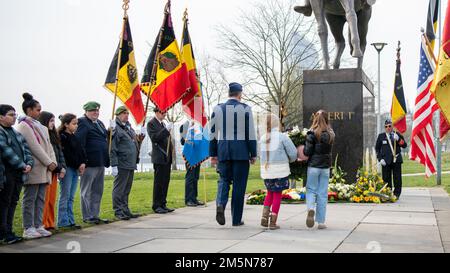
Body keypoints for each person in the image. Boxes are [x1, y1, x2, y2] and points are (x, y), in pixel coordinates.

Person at [209, 82, 257, 226]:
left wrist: (213, 153)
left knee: (224, 179)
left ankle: (221, 204)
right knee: (239, 186)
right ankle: (236, 220)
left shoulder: (218, 109)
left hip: (223, 151)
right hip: (241, 152)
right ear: (240, 94)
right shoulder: (245, 109)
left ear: (229, 93)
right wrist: (253, 153)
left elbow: (212, 134)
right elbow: (251, 133)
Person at [17, 93, 57, 239]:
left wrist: (54, 163)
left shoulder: (40, 126)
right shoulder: (24, 125)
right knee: (30, 198)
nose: (40, 112)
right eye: (37, 110)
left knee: (40, 198)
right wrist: (49, 163)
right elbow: (34, 147)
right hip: (35, 167)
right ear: (29, 110)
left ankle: (38, 225)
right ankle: (28, 227)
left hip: (45, 168)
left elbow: (49, 146)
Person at [0, 104, 33, 244]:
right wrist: (22, 165)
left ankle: (9, 231)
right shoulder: (1, 132)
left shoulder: (16, 133)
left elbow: (27, 150)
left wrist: (29, 163)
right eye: (10, 114)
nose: (14, 117)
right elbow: (6, 151)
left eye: (14, 114)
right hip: (7, 173)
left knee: (13, 202)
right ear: (1, 117)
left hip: (19, 174)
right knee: (4, 203)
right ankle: (3, 233)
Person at [259, 114, 298, 230]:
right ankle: (273, 221)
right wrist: (291, 160)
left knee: (269, 193)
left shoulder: (262, 138)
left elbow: (259, 155)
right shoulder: (283, 137)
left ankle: (264, 217)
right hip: (280, 171)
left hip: (267, 172)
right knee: (277, 194)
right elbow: (293, 153)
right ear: (278, 124)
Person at [75, 101, 110, 225]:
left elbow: (103, 138)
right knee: (87, 191)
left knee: (97, 191)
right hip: (89, 162)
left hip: (100, 161)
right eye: (92, 111)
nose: (95, 112)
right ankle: (87, 216)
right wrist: (82, 161)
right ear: (86, 111)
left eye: (97, 110)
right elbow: (80, 143)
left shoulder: (99, 123)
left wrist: (110, 131)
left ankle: (95, 214)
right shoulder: (82, 122)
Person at [110, 106, 145, 220]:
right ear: (118, 115)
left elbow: (134, 143)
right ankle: (118, 211)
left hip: (130, 162)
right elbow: (112, 148)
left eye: (127, 113)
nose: (126, 115)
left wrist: (140, 138)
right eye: (123, 113)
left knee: (126, 189)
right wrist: (114, 164)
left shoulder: (128, 127)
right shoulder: (115, 128)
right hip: (122, 162)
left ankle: (125, 210)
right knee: (119, 189)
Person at [304, 110, 335, 230]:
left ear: (315, 119)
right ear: (327, 119)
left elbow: (307, 152)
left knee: (311, 190)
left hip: (313, 166)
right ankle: (321, 222)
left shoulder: (311, 133)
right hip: (325, 167)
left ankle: (311, 208)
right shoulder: (331, 134)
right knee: (322, 194)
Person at [38, 111, 66, 230]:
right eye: (50, 121)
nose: (52, 123)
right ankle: (43, 222)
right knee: (45, 198)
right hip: (46, 170)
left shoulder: (54, 135)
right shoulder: (42, 135)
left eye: (53, 121)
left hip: (55, 170)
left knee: (51, 199)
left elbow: (59, 153)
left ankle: (50, 222)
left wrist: (62, 167)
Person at [57, 113, 85, 229]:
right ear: (66, 124)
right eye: (74, 123)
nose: (76, 126)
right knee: (65, 195)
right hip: (68, 168)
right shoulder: (62, 137)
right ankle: (63, 220)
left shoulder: (74, 136)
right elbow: (67, 154)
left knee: (71, 196)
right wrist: (78, 164)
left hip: (76, 168)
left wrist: (83, 162)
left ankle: (70, 219)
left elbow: (81, 151)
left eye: (77, 123)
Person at [147, 107, 175, 214]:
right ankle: (157, 205)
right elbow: (155, 138)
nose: (165, 114)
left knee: (165, 182)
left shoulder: (163, 124)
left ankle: (163, 203)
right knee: (158, 182)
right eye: (163, 112)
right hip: (159, 157)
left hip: (166, 157)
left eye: (165, 111)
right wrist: (166, 130)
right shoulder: (151, 124)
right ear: (156, 112)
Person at [375, 119, 407, 199]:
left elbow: (404, 145)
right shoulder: (381, 136)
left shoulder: (397, 134)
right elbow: (377, 149)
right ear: (384, 127)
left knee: (397, 178)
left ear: (392, 126)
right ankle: (387, 193)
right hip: (385, 161)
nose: (388, 128)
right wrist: (380, 159)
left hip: (396, 160)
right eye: (386, 126)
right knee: (386, 178)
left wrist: (398, 139)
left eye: (389, 126)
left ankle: (396, 194)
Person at [180, 120, 205, 207]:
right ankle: (188, 199)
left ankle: (194, 198)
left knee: (195, 177)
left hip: (197, 155)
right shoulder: (185, 125)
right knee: (190, 177)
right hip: (189, 155)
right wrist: (190, 141)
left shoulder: (199, 127)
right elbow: (182, 141)